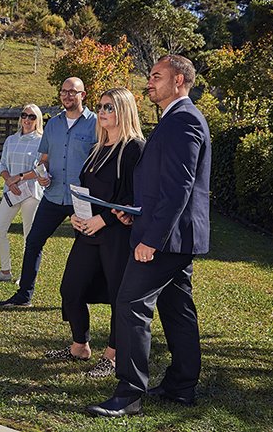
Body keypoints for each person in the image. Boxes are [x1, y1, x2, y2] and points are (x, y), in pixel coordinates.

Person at [87, 55, 211, 417]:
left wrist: (152, 239)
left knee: (130, 304)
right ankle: (181, 386)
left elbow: (179, 188)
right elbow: (162, 184)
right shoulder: (176, 118)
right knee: (177, 309)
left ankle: (129, 394)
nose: (150, 81)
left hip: (167, 239)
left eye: (157, 76)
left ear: (179, 81)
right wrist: (135, 212)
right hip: (174, 235)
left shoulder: (184, 119)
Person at [44, 88, 143, 379]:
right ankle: (80, 346)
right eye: (100, 106)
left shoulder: (134, 148)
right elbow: (85, 189)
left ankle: (112, 356)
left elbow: (133, 196)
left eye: (109, 107)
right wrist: (77, 214)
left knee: (118, 297)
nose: (102, 112)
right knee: (71, 289)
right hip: (88, 231)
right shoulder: (97, 148)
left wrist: (104, 219)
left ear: (124, 111)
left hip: (117, 234)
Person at [0, 77, 97, 307]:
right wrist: (42, 173)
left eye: (72, 91)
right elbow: (44, 159)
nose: (67, 95)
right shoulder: (53, 125)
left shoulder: (95, 124)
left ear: (83, 95)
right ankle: (24, 295)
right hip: (53, 194)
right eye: (63, 91)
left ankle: (83, 297)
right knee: (33, 241)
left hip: (80, 198)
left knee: (86, 248)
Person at [0, 104, 45, 282]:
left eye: (32, 117)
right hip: (12, 191)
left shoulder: (42, 141)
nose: (27, 119)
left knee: (29, 236)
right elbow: (3, 165)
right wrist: (9, 182)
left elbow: (41, 169)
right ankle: (5, 271)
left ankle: (25, 276)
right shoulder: (11, 140)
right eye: (24, 115)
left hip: (31, 192)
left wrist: (18, 178)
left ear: (38, 120)